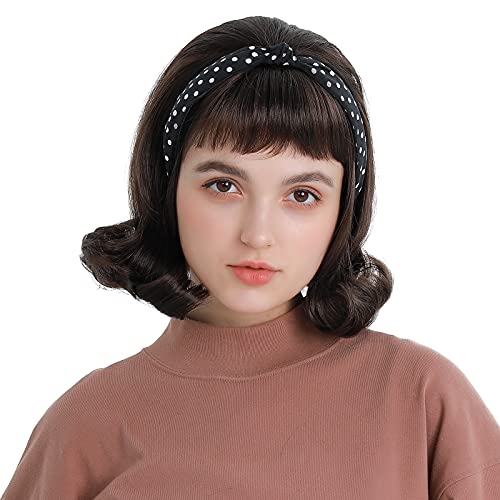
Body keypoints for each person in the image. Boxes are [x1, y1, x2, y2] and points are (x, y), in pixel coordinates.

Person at [2, 15, 500, 500]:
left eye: (302, 195)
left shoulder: (420, 397)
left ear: (342, 210)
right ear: (168, 187)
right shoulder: (86, 423)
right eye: (224, 186)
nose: (258, 235)